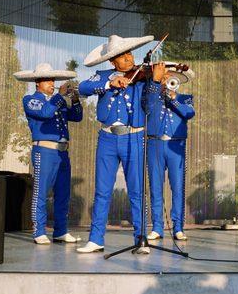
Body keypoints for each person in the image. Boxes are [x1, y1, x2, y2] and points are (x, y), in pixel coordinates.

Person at [76, 34, 156, 254]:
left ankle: (141, 239)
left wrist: (156, 80)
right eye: (123, 56)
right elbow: (82, 88)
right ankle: (96, 239)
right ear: (113, 61)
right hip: (107, 138)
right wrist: (109, 83)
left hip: (134, 137)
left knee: (137, 191)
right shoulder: (102, 75)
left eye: (130, 54)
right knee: (102, 191)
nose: (129, 59)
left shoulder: (142, 76)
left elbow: (152, 102)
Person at [14, 63, 82, 245]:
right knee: (41, 192)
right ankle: (38, 231)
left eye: (53, 80)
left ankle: (60, 231)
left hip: (61, 153)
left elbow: (77, 116)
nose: (52, 83)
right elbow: (45, 113)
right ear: (38, 83)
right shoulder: (31, 99)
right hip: (44, 151)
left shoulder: (56, 101)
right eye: (47, 80)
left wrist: (75, 98)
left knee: (63, 193)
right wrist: (60, 95)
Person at [145, 62, 195, 242]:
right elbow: (146, 108)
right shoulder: (152, 97)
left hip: (176, 146)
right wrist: (157, 88)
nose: (167, 81)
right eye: (164, 78)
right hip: (155, 144)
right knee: (155, 187)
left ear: (176, 81)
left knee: (178, 187)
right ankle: (157, 227)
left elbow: (189, 114)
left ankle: (178, 227)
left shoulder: (184, 98)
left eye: (169, 79)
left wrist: (173, 98)